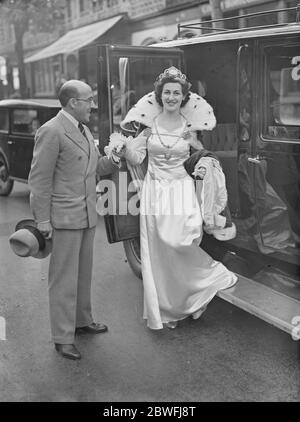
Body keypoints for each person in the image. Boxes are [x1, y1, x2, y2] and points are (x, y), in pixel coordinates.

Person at [115, 66, 237, 330]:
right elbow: (137, 159)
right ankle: (172, 308)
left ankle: (201, 289)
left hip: (181, 190)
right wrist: (125, 150)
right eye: (167, 92)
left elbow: (202, 158)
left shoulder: (189, 129)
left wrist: (197, 146)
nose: (171, 97)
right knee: (160, 252)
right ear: (160, 96)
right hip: (155, 192)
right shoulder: (148, 129)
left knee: (181, 242)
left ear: (184, 97)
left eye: (176, 93)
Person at [28, 80, 118, 360]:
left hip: (87, 215)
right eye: (89, 100)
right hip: (64, 218)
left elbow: (91, 169)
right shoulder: (52, 131)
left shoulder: (81, 129)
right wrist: (42, 220)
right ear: (72, 103)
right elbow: (39, 180)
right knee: (63, 279)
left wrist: (113, 159)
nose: (93, 104)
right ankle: (63, 337)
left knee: (82, 274)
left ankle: (81, 321)